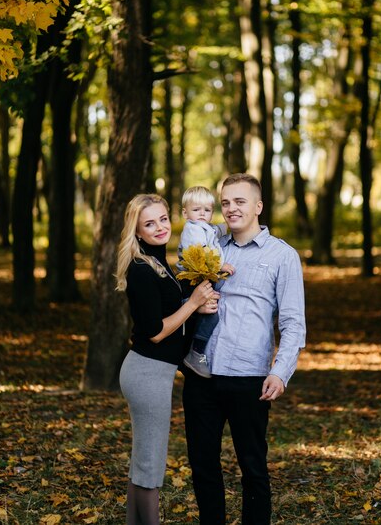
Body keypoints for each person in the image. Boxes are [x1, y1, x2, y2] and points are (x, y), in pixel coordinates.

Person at [182, 173, 306, 525]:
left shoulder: (282, 255)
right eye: (225, 202)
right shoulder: (209, 246)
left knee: (252, 466)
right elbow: (180, 288)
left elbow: (293, 322)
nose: (231, 209)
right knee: (203, 465)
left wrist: (280, 371)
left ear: (258, 206)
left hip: (248, 377)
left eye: (239, 201)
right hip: (201, 374)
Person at [116, 193, 217, 525]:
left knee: (143, 461)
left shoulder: (159, 261)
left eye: (162, 219)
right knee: (151, 464)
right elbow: (155, 331)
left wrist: (195, 306)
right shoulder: (142, 269)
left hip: (154, 372)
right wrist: (192, 304)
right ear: (138, 231)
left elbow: (171, 318)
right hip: (146, 374)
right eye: (149, 223)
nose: (159, 227)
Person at [177, 186, 235, 378]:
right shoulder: (192, 231)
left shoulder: (204, 227)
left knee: (208, 312)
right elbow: (201, 252)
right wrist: (220, 265)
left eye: (207, 210)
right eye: (196, 210)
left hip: (203, 276)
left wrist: (232, 222)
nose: (202, 213)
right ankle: (196, 352)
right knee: (211, 315)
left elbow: (217, 230)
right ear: (185, 212)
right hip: (194, 278)